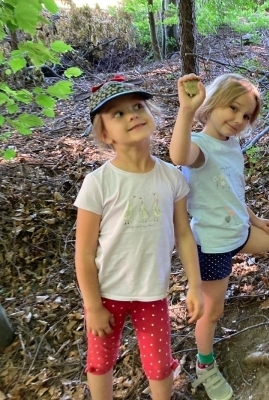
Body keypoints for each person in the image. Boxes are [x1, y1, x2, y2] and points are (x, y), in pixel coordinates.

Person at [170, 73, 269, 400]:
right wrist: (186, 111)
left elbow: (231, 191)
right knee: (212, 312)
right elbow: (178, 155)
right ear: (212, 103)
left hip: (241, 231)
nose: (239, 120)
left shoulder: (231, 145)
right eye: (232, 108)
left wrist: (256, 220)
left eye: (246, 116)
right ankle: (205, 366)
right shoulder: (200, 147)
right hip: (213, 246)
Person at [74, 80, 204, 400]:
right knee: (100, 362)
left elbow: (184, 234)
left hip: (152, 293)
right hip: (107, 294)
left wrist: (195, 285)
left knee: (159, 366)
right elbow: (85, 253)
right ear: (105, 134)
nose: (132, 115)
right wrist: (93, 306)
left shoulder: (172, 177)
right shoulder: (98, 183)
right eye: (118, 114)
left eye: (138, 107)